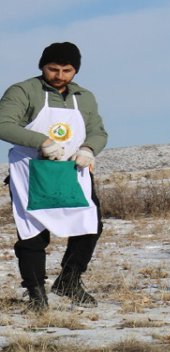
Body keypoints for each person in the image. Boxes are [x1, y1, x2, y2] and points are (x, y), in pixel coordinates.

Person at [0, 42, 107, 311]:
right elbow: (3, 124)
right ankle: (36, 292)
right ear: (42, 66)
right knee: (33, 234)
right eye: (53, 69)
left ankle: (69, 280)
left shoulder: (84, 96)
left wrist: (89, 149)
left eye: (67, 70)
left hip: (72, 171)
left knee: (90, 226)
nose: (60, 76)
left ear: (75, 71)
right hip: (32, 172)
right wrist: (42, 142)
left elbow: (98, 130)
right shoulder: (24, 91)